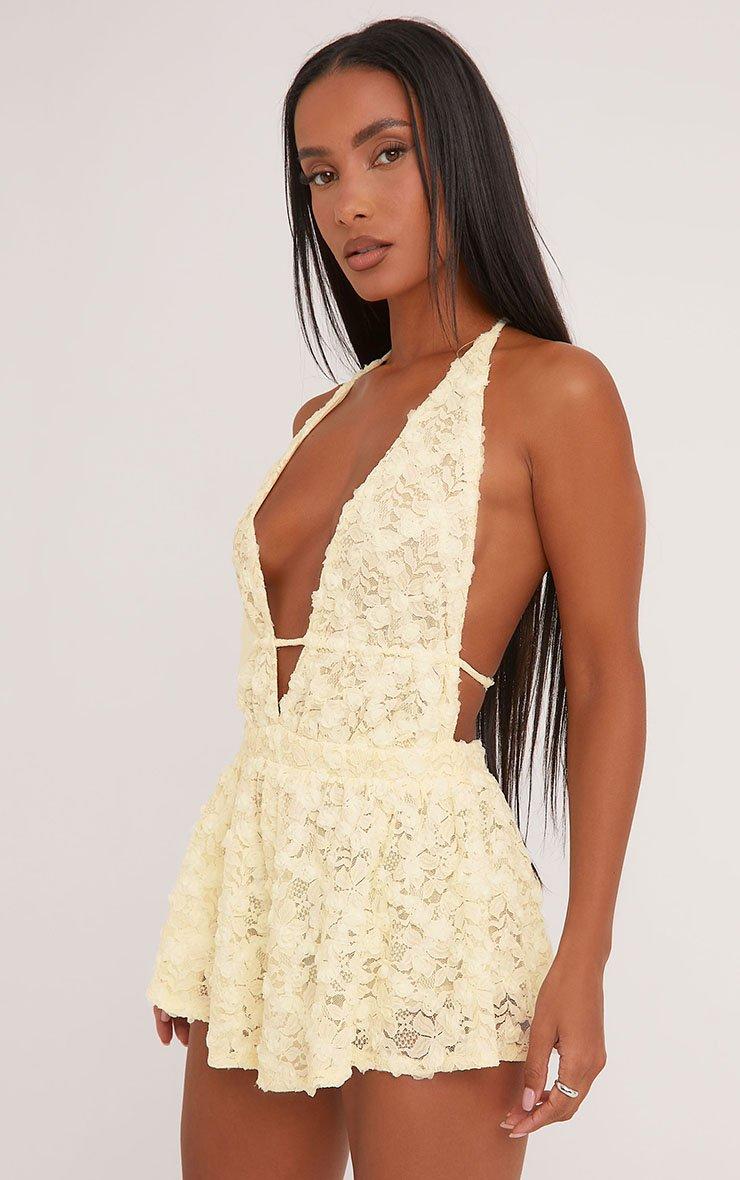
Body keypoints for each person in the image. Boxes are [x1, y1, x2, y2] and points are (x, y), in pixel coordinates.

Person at [146, 17, 646, 1179]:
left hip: (427, 895)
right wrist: (212, 915)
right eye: (319, 175)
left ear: (459, 155)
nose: (348, 204)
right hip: (264, 891)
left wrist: (583, 954)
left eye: (386, 154)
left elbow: (604, 675)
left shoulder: (553, 391)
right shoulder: (318, 416)